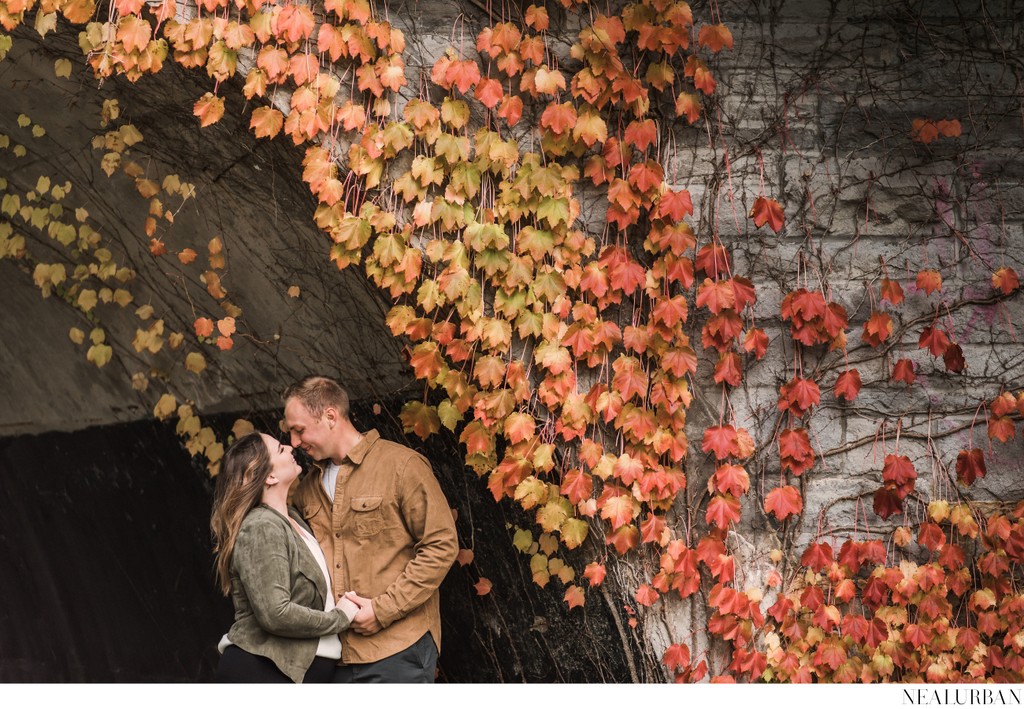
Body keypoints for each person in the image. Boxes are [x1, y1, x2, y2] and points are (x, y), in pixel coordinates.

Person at [284, 375, 459, 683]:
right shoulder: (305, 488)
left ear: (330, 416)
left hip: (397, 649)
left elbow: (441, 545)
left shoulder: (401, 466)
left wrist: (383, 610)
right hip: (335, 657)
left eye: (299, 430)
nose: (295, 442)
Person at [210, 431, 360, 683]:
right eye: (280, 449)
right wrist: (339, 618)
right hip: (261, 672)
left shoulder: (293, 520)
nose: (291, 448)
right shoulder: (261, 526)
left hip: (296, 672)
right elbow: (275, 613)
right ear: (269, 476)